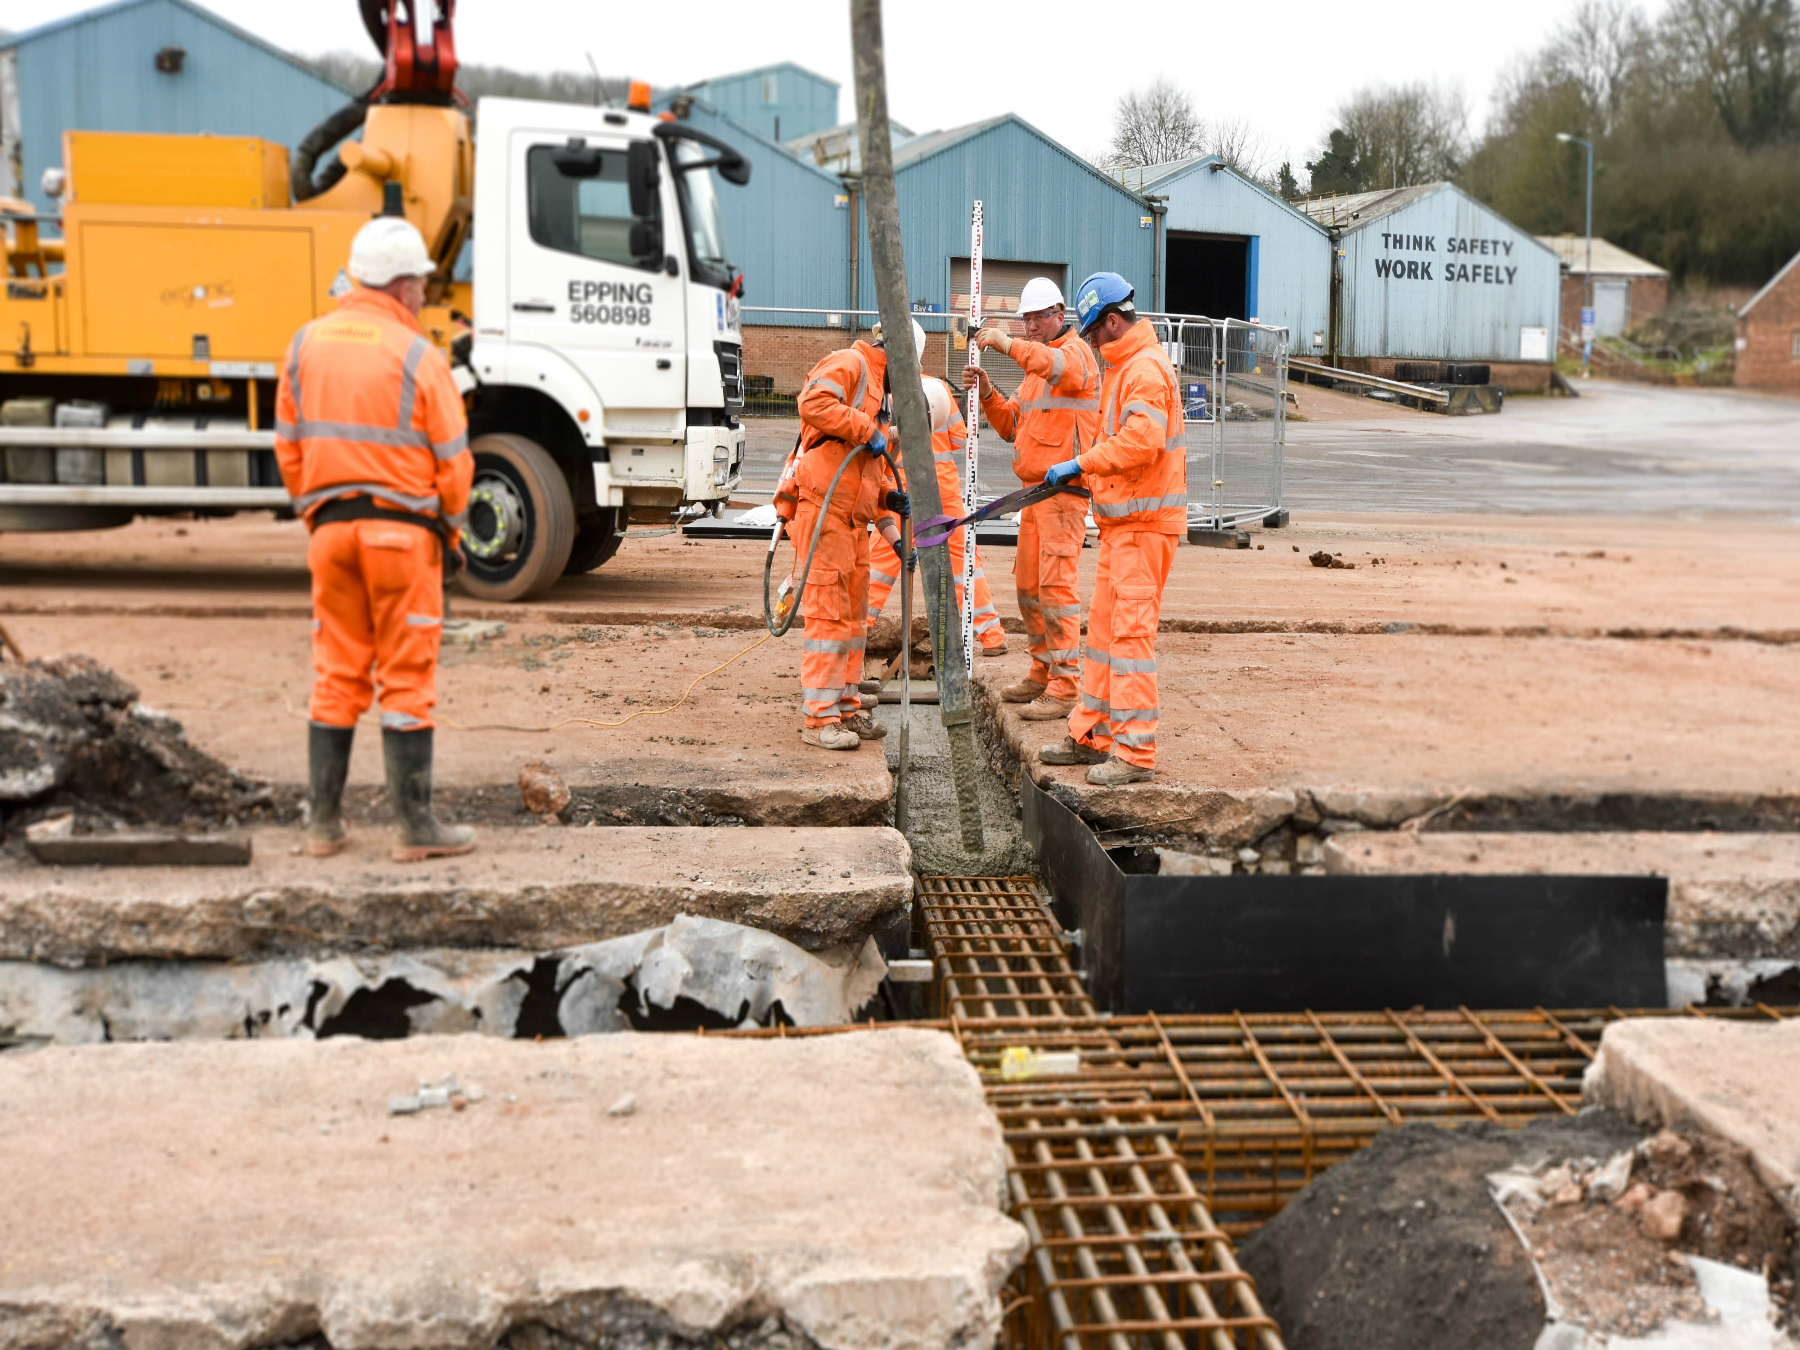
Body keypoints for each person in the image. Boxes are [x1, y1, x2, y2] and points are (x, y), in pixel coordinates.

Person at [275, 216, 477, 859]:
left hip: (329, 534)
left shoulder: (304, 344)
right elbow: (454, 461)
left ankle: (322, 826)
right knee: (405, 674)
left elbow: (288, 450)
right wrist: (448, 529)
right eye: (419, 282)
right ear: (399, 285)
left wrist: (319, 516)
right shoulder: (417, 354)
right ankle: (415, 830)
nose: (423, 293)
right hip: (403, 537)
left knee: (336, 671)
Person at [1034, 273, 1184, 786]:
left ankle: (1136, 754)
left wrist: (1080, 463)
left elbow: (1141, 443)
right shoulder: (1124, 368)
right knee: (1101, 637)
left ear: (1112, 322)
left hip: (1144, 528)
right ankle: (1092, 735)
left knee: (1130, 639)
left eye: (1094, 332)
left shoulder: (1143, 371)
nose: (1091, 342)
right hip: (1122, 527)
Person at [964, 277, 1100, 721]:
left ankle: (1065, 686)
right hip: (1036, 496)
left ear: (1060, 315)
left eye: (1039, 317)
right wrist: (986, 392)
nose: (1031, 326)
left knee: (1057, 589)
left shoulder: (1075, 355)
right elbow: (1010, 427)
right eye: (1025, 320)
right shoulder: (1034, 374)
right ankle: (1042, 670)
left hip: (1065, 494)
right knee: (1029, 587)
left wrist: (1003, 344)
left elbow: (1057, 366)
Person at [774, 322, 910, 749]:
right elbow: (811, 401)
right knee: (828, 619)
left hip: (853, 524)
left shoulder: (880, 396)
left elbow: (866, 474)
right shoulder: (852, 364)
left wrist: (889, 497)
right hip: (824, 512)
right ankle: (819, 719)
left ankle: (847, 707)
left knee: (853, 622)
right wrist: (863, 428)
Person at [863, 375, 1007, 670]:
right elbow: (959, 438)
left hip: (898, 490)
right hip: (942, 487)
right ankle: (991, 637)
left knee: (880, 563)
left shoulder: (883, 392)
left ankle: (854, 635)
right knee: (963, 562)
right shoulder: (939, 388)